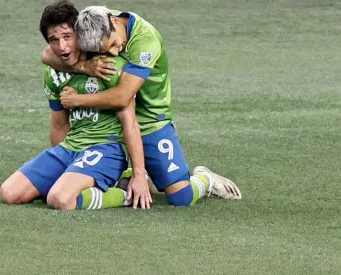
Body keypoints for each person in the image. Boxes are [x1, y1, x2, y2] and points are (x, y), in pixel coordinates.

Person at [41, 5, 243, 207]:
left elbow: (122, 97)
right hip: (112, 121)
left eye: (112, 45)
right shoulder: (94, 23)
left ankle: (205, 179)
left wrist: (77, 100)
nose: (113, 52)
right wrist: (83, 66)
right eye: (105, 51)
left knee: (181, 198)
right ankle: (133, 173)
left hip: (150, 120)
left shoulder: (146, 42)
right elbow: (47, 55)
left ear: (114, 22)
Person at [0, 0, 149, 210]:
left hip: (106, 149)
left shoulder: (109, 65)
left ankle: (124, 194)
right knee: (9, 193)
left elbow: (131, 123)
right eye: (54, 40)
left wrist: (138, 174)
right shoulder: (54, 73)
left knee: (60, 199)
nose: (63, 47)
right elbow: (59, 125)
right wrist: (64, 169)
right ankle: (72, 184)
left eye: (67, 36)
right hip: (70, 148)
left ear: (80, 33)